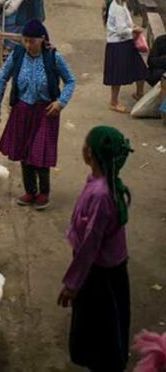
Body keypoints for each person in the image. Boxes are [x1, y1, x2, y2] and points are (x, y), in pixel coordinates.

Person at [59, 126, 133, 372]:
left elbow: (90, 245)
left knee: (101, 331)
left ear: (89, 153)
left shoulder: (101, 195)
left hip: (100, 274)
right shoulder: (101, 183)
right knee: (104, 327)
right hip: (104, 269)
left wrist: (72, 284)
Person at [0, 20, 76, 209]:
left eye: (33, 41)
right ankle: (30, 191)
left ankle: (44, 192)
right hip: (22, 110)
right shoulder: (18, 55)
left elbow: (70, 81)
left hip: (46, 111)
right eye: (25, 41)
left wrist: (61, 102)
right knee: (24, 152)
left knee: (40, 152)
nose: (29, 45)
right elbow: (2, 78)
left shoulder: (53, 57)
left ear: (42, 39)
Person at [103, 0, 148, 113]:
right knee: (117, 75)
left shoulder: (122, 4)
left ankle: (139, 93)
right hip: (118, 44)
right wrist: (134, 30)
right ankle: (113, 101)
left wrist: (132, 26)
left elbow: (126, 23)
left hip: (127, 43)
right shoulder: (117, 8)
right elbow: (121, 30)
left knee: (140, 69)